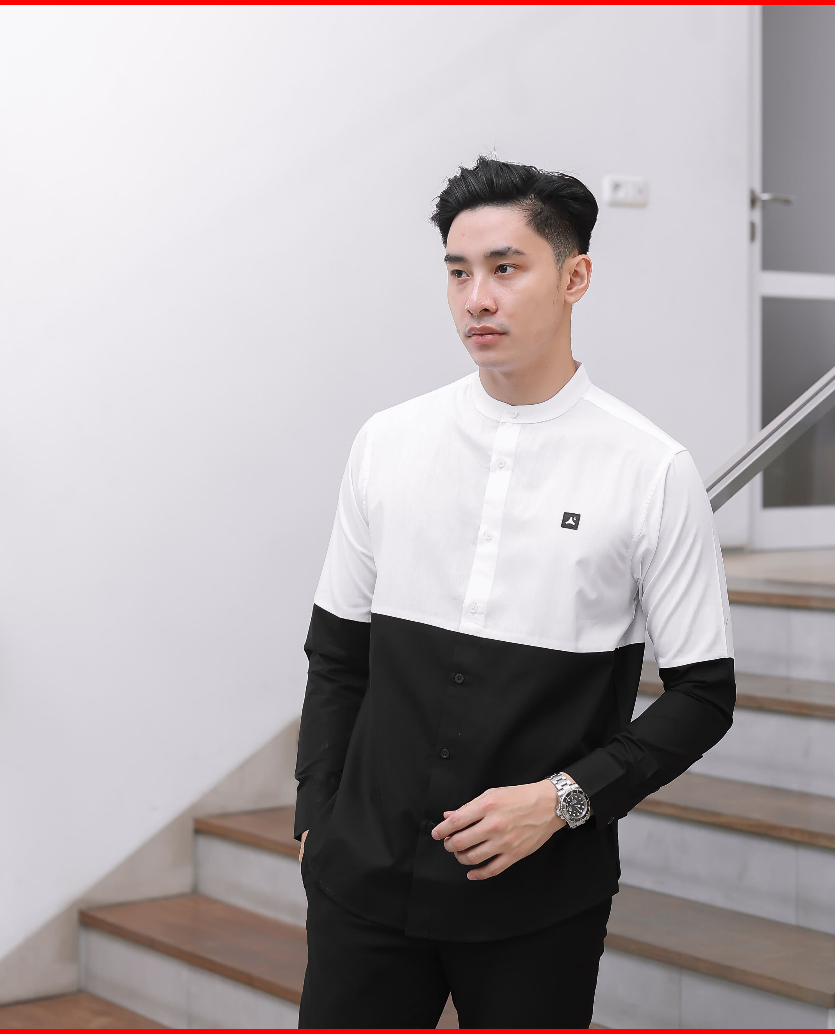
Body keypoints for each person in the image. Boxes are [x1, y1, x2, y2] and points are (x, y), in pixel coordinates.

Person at [293, 156, 735, 1029]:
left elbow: (704, 697)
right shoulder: (388, 441)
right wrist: (317, 816)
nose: (476, 299)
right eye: (458, 273)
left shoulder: (651, 469)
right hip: (363, 883)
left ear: (575, 278)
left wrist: (563, 799)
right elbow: (337, 653)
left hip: (539, 898)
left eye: (505, 268)